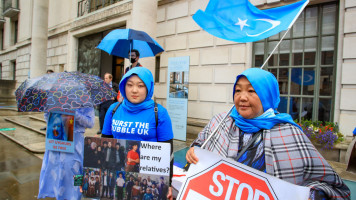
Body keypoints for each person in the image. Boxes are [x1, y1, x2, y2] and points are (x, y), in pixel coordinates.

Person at [185, 68, 351, 200]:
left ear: (267, 95)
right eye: (238, 91)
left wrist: (311, 195)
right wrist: (195, 151)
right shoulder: (220, 122)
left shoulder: (289, 133)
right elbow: (200, 145)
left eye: (251, 91)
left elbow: (333, 187)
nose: (242, 97)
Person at [102, 67, 174, 199]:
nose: (134, 90)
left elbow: (168, 152)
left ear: (148, 88)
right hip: (119, 172)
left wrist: (169, 184)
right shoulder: (113, 109)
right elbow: (105, 141)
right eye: (129, 85)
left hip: (148, 175)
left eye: (140, 86)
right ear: (123, 86)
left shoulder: (160, 113)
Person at [38, 107, 95, 200]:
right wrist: (53, 114)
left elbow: (90, 123)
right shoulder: (54, 99)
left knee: (76, 172)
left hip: (75, 146)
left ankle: (76, 196)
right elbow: (46, 117)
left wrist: (76, 115)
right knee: (56, 173)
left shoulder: (84, 100)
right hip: (56, 143)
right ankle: (58, 195)